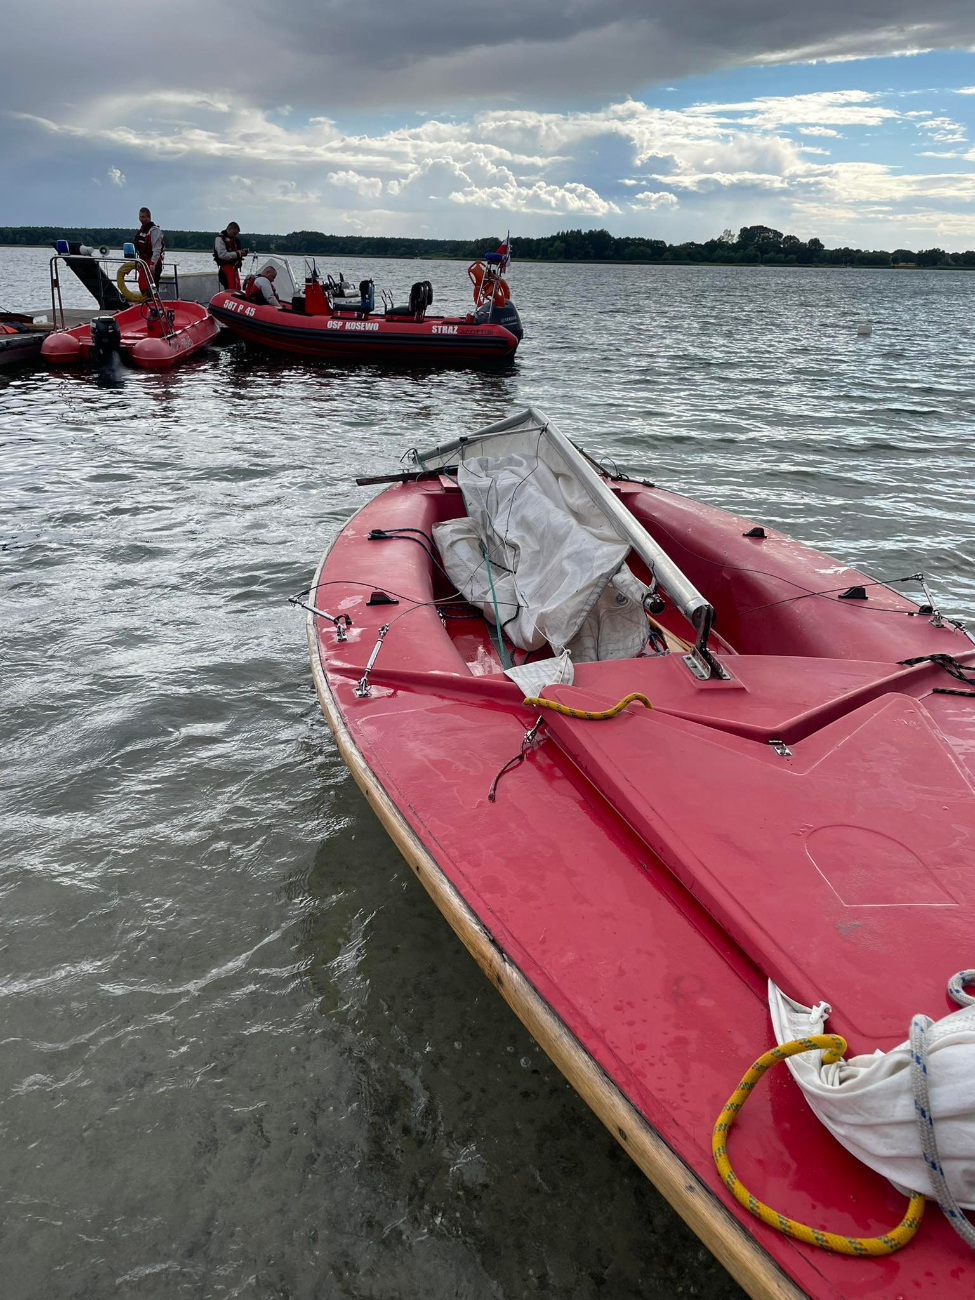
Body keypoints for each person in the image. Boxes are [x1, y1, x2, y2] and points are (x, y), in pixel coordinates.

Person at [133, 207, 165, 291]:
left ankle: (153, 298)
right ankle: (146, 297)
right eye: (140, 217)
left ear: (148, 217)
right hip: (144, 262)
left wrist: (153, 265)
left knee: (151, 288)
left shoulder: (154, 230)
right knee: (142, 285)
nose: (141, 219)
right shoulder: (142, 231)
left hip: (153, 263)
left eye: (143, 217)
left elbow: (157, 249)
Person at [213, 222, 248, 292]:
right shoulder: (220, 239)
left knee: (236, 288)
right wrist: (237, 253)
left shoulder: (235, 240)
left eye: (236, 234)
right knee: (230, 289)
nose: (235, 235)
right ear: (229, 229)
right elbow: (222, 255)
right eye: (234, 233)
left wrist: (241, 253)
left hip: (234, 269)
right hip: (225, 269)